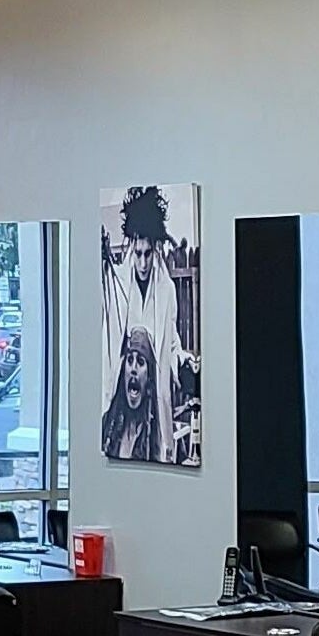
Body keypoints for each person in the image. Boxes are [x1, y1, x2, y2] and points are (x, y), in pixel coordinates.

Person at [101, 187, 184, 463]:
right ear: (132, 248)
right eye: (138, 253)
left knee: (157, 453)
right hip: (125, 397)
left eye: (148, 253)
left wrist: (180, 362)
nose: (143, 262)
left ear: (156, 249)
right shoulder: (118, 285)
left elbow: (171, 341)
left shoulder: (167, 289)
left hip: (154, 397)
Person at [102, 326, 158, 462]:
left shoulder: (156, 437)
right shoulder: (107, 423)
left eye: (140, 362)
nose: (133, 369)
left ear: (149, 378)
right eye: (130, 360)